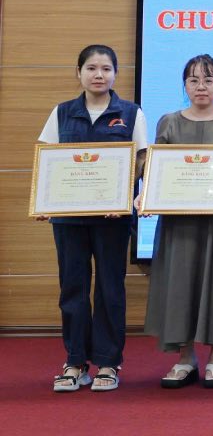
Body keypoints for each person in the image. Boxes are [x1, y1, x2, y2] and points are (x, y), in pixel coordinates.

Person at [142, 53, 213, 389]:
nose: (201, 86)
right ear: (184, 85)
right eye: (193, 80)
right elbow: (157, 171)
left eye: (208, 80)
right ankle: (184, 359)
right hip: (179, 224)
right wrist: (146, 196)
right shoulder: (168, 122)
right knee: (180, 285)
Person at [39, 45, 148, 393]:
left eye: (105, 68)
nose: (98, 75)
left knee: (110, 290)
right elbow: (47, 159)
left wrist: (127, 197)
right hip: (69, 219)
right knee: (72, 289)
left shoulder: (130, 113)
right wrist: (44, 200)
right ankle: (74, 362)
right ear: (79, 73)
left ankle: (108, 363)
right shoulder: (62, 113)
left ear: (116, 73)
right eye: (91, 68)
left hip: (113, 217)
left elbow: (142, 160)